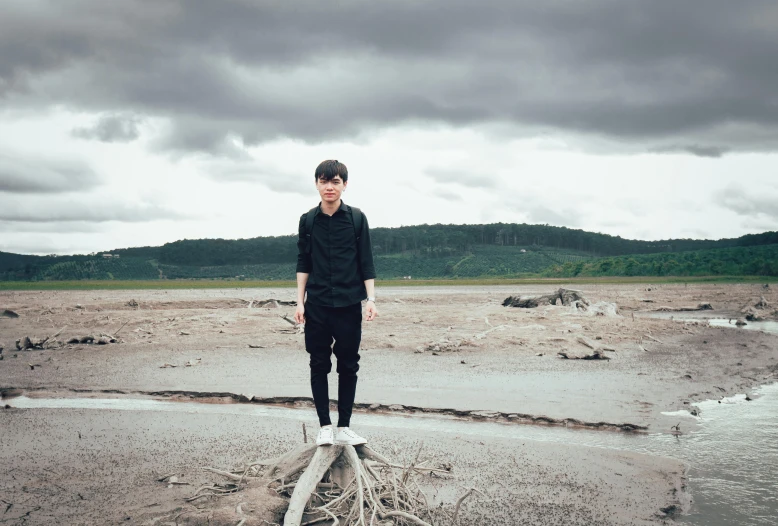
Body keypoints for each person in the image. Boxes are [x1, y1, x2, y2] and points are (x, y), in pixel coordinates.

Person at [294, 159, 377, 447]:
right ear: (317, 183)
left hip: (348, 305)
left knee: (348, 365)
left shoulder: (356, 218)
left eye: (335, 181)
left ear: (344, 184)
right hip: (316, 305)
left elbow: (366, 261)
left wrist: (371, 300)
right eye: (324, 181)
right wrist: (300, 302)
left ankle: (344, 426)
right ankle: (325, 427)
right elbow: (303, 262)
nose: (329, 187)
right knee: (318, 364)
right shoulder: (307, 220)